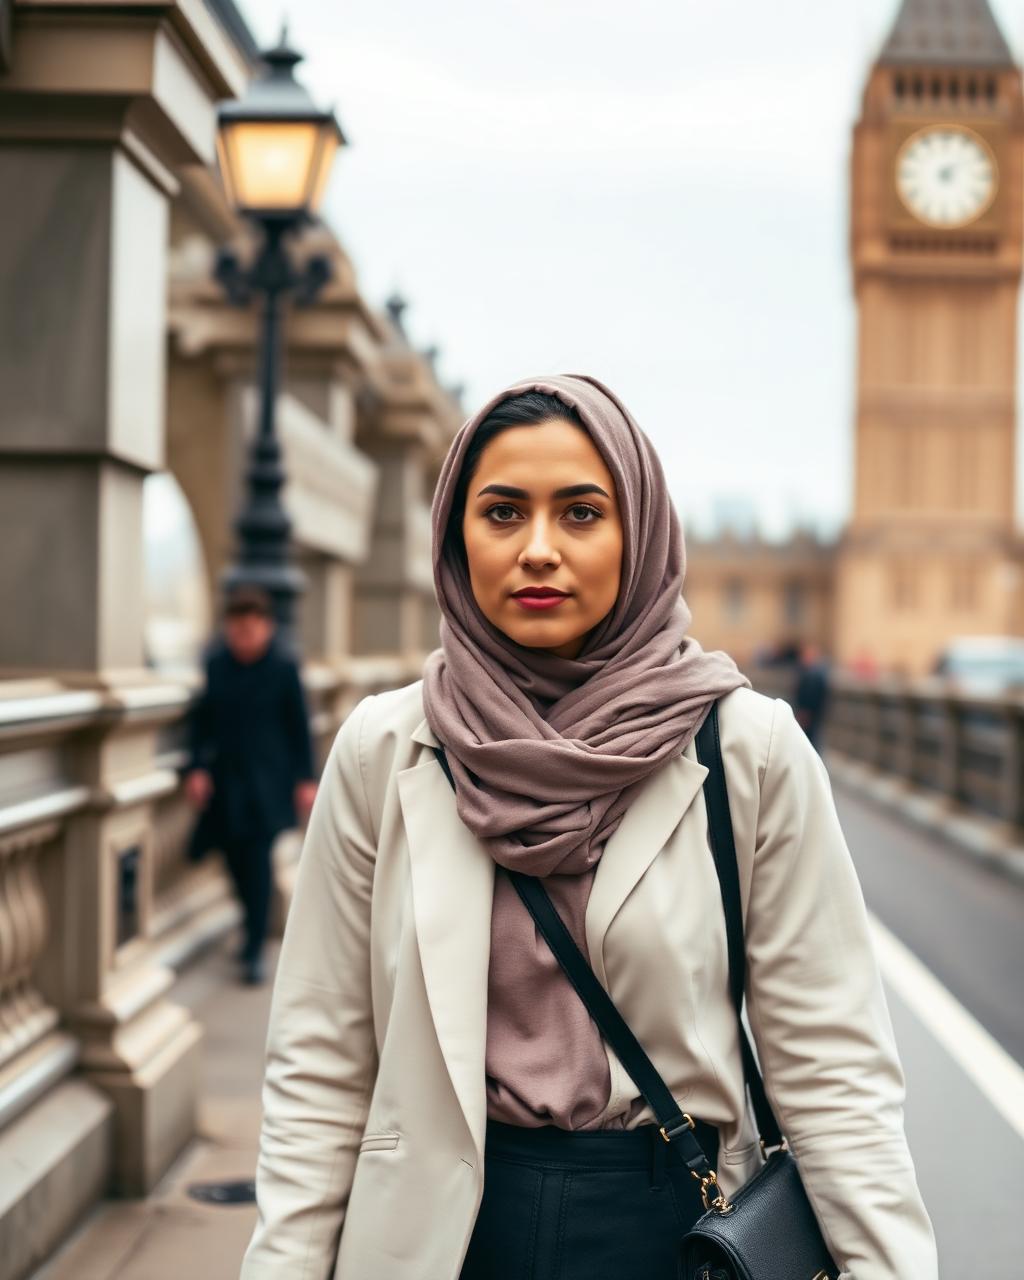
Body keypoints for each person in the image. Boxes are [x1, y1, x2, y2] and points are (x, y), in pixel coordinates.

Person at [240, 375, 937, 1279]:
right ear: (454, 538)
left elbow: (834, 1071)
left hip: (673, 1235)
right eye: (500, 514)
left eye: (579, 513)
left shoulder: (747, 752)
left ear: (638, 531)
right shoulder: (385, 748)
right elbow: (321, 1069)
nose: (538, 550)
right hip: (436, 1240)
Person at [185, 584, 317, 986]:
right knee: (231, 856)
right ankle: (249, 926)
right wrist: (195, 767)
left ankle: (255, 945)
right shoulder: (217, 663)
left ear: (267, 627)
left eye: (251, 629)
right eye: (236, 629)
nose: (243, 637)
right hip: (226, 781)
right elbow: (201, 720)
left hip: (267, 782)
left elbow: (300, 727)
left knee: (258, 863)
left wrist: (306, 778)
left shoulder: (283, 666)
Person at [793, 639, 830, 750]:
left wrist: (805, 712)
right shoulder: (814, 672)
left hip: (809, 714)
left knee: (810, 741)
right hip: (813, 714)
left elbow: (811, 695)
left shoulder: (813, 674)